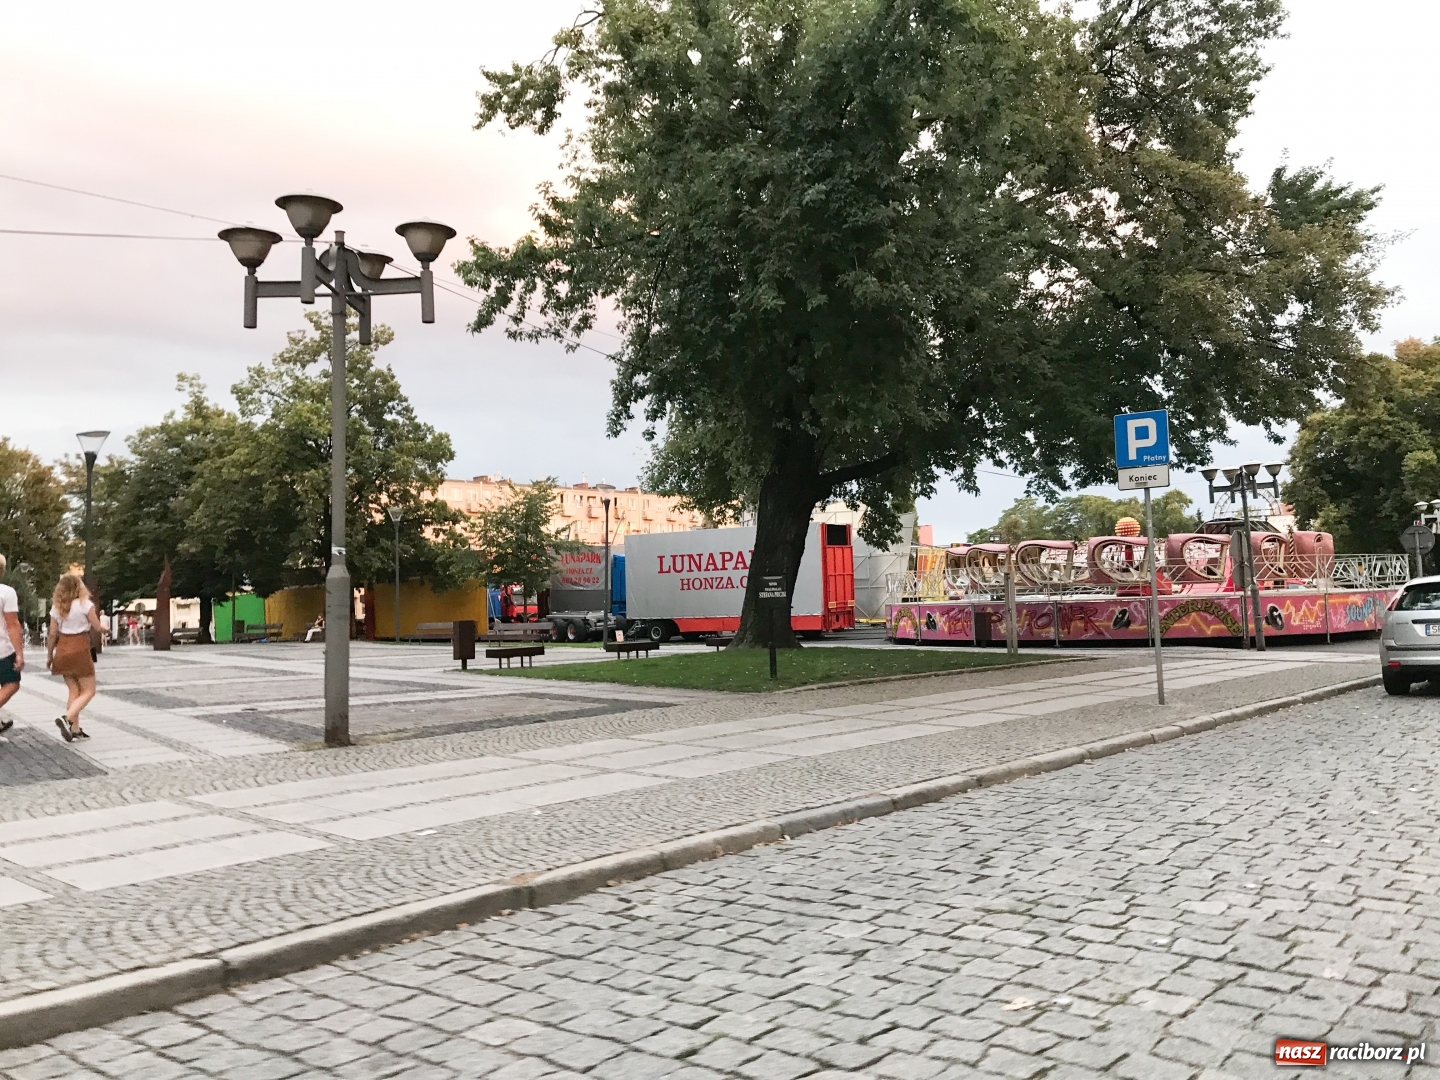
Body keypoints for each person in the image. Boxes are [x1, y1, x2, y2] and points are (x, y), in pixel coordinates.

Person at [47, 573, 103, 742]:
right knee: (89, 690)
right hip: (80, 648)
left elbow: (51, 634)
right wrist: (105, 628)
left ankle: (75, 729)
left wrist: (50, 656)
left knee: (74, 690)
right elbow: (97, 627)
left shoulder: (57, 608)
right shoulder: (85, 604)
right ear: (79, 587)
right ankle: (67, 718)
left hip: (62, 649)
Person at [0, 555, 23, 735]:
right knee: (12, 683)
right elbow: (12, 625)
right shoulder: (6, 592)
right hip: (2, 650)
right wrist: (19, 653)